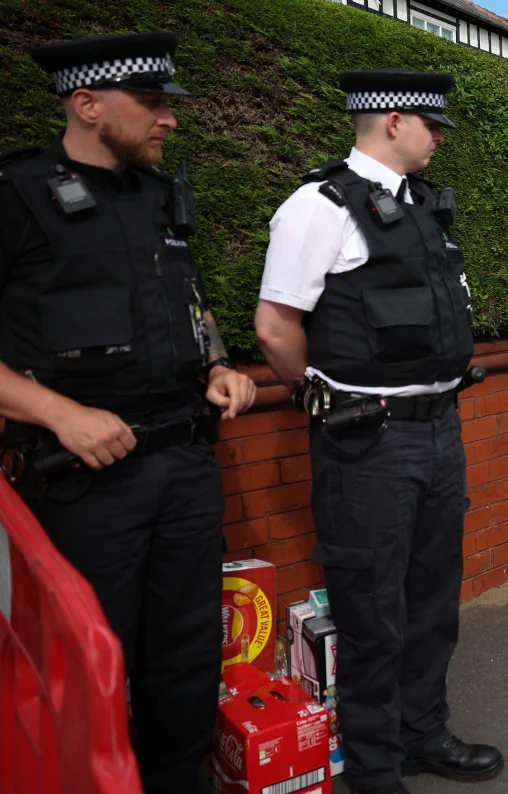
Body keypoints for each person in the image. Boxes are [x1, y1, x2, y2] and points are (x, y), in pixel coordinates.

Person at [0, 32, 257, 793]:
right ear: (86, 104)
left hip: (184, 465)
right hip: (82, 479)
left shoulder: (158, 196)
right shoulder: (16, 195)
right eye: (150, 103)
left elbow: (192, 303)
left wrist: (218, 365)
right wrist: (57, 412)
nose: (168, 118)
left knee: (185, 658)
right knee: (90, 662)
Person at [254, 69, 499, 794]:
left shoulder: (420, 204)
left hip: (439, 430)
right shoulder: (318, 207)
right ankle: (373, 768)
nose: (440, 138)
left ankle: (422, 733)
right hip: (369, 440)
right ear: (393, 121)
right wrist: (319, 398)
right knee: (372, 610)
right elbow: (275, 327)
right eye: (432, 125)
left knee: (432, 598)